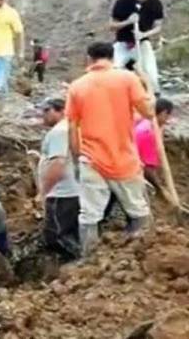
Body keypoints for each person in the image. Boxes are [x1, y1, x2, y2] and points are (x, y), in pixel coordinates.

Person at [66, 42, 154, 257]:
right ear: (112, 57)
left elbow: (71, 126)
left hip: (91, 158)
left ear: (89, 58)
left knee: (89, 215)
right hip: (124, 158)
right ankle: (140, 255)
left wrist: (78, 156)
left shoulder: (77, 86)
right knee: (138, 210)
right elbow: (149, 112)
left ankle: (89, 260)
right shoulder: (127, 79)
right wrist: (149, 90)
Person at [36, 98, 80, 260]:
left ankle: (81, 263)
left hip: (62, 194)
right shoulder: (69, 128)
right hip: (71, 191)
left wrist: (44, 192)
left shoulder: (59, 132)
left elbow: (58, 163)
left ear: (62, 111)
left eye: (47, 111)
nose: (43, 115)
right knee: (67, 232)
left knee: (57, 236)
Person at [110, 0, 164, 94]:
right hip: (123, 43)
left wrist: (143, 34)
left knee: (150, 73)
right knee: (114, 71)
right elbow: (112, 26)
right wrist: (127, 22)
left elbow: (158, 27)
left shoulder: (156, 4)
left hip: (142, 42)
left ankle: (154, 97)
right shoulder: (122, 3)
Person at [134, 98, 174, 195]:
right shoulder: (149, 134)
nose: (169, 119)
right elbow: (147, 170)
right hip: (130, 172)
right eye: (169, 115)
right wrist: (160, 188)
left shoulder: (144, 122)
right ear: (164, 113)